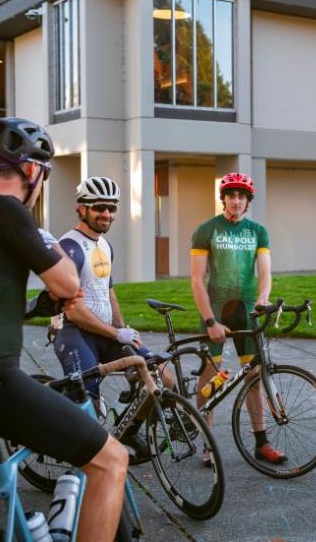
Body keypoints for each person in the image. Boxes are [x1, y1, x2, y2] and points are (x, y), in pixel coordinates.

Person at [0, 118, 127, 538]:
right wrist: (50, 247)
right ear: (33, 171)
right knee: (111, 461)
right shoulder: (5, 209)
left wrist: (36, 305)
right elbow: (70, 284)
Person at [33, 175, 170, 462]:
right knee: (89, 407)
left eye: (111, 207)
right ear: (81, 209)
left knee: (161, 377)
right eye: (98, 207)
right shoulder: (70, 247)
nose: (106, 213)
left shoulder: (105, 245)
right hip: (74, 333)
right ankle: (76, 461)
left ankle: (130, 432)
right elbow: (73, 310)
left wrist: (123, 329)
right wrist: (114, 333)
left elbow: (108, 292)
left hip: (105, 333)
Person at [190, 172, 286, 465]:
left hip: (246, 311)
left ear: (247, 201)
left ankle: (262, 443)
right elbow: (196, 279)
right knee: (210, 376)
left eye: (241, 196)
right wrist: (209, 321)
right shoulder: (207, 230)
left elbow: (265, 272)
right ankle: (206, 443)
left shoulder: (258, 231)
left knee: (254, 376)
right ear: (224, 199)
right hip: (216, 309)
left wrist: (262, 299)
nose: (235, 200)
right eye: (230, 195)